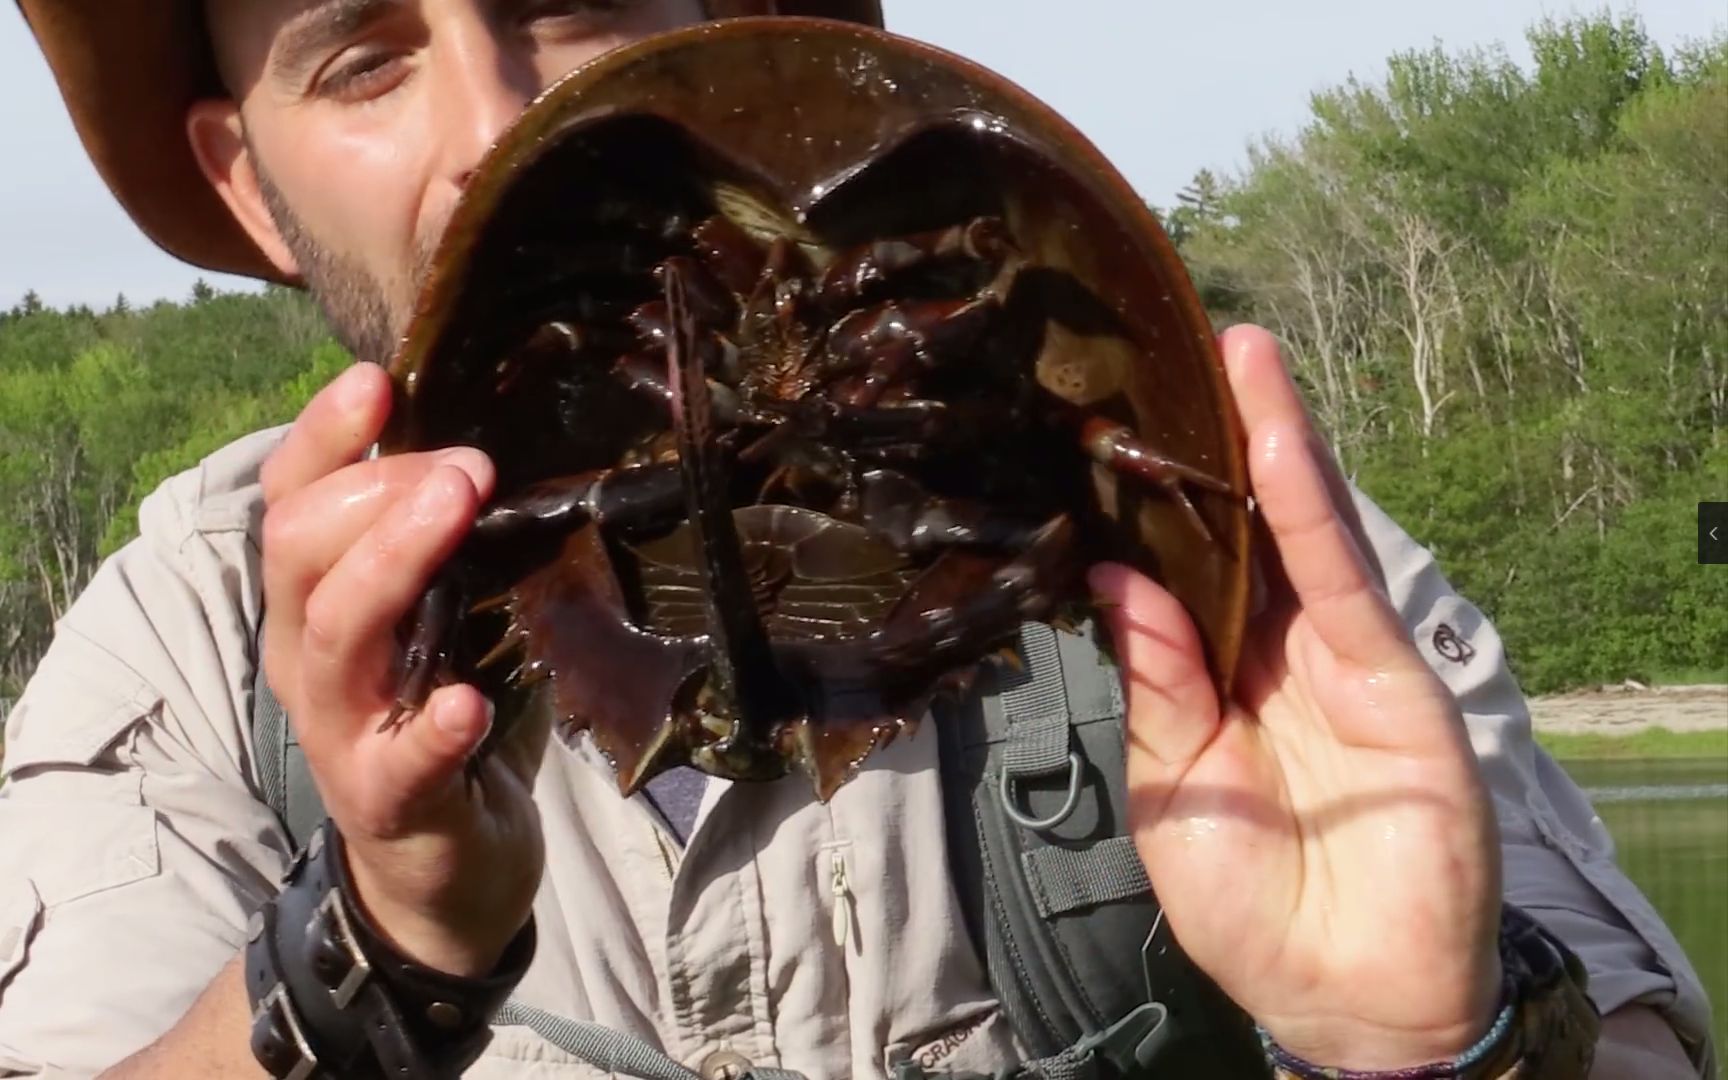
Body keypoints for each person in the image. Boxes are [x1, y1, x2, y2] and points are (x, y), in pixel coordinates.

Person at [0, 1, 1713, 1077]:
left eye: (576, 3)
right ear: (244, 181)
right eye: (365, 58)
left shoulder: (1218, 555)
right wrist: (383, 947)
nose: (495, 126)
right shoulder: (195, 647)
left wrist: (1445, 1041)